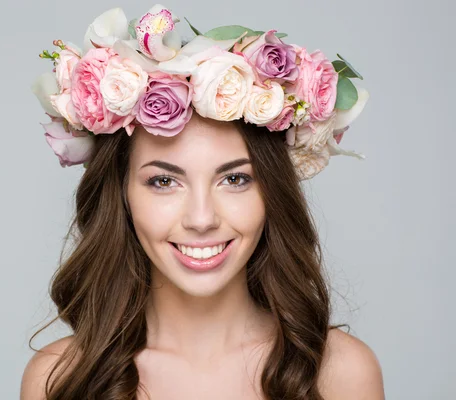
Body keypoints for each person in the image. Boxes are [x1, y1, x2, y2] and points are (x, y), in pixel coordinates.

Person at [22, 4, 384, 399]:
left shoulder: (342, 373)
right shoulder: (60, 379)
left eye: (234, 179)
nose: (201, 219)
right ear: (122, 195)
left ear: (272, 194)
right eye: (163, 181)